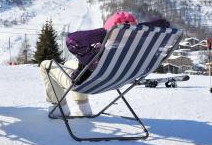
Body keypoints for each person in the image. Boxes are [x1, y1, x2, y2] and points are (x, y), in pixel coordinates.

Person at [40, 11, 170, 117]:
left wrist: (106, 32)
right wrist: (134, 30)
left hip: (86, 84)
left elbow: (72, 39)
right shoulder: (137, 49)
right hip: (116, 82)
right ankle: (82, 108)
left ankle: (59, 108)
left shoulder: (100, 51)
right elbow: (164, 24)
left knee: (46, 65)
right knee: (71, 63)